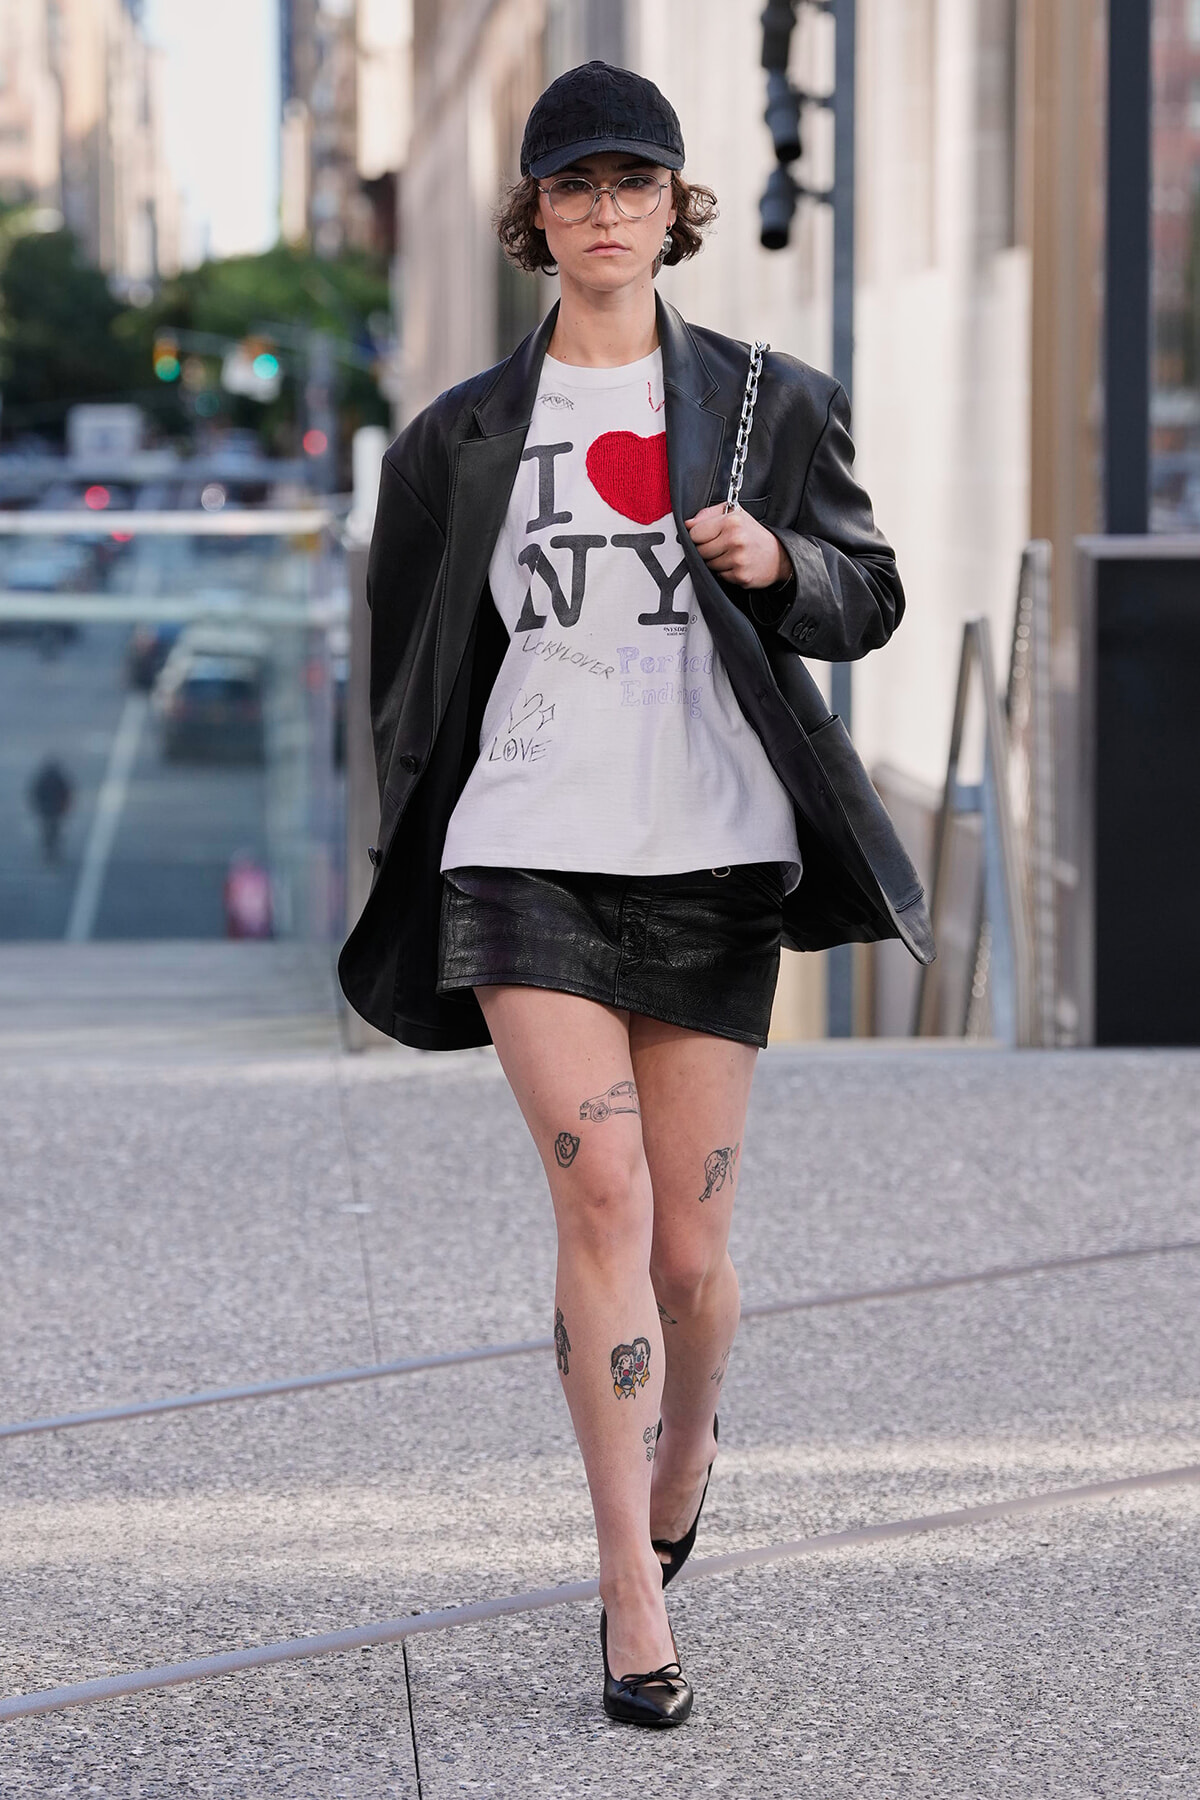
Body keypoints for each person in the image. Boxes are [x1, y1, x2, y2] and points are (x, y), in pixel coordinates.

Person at [340, 62, 933, 1728]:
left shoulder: (771, 400)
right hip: (527, 854)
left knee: (687, 1249)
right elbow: (404, 658)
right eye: (573, 185)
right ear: (532, 217)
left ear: (679, 209)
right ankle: (624, 1590)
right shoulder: (457, 438)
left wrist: (778, 564)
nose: (605, 210)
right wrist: (422, 817)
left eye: (634, 183)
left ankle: (691, 1439)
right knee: (597, 1199)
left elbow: (870, 595)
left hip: (716, 862)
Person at [28, 757, 73, 863]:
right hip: (55, 808)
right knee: (53, 830)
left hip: (47, 809)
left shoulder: (43, 779)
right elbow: (66, 793)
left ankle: (49, 849)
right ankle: (52, 849)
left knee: (48, 830)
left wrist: (37, 806)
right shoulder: (59, 778)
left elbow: (35, 793)